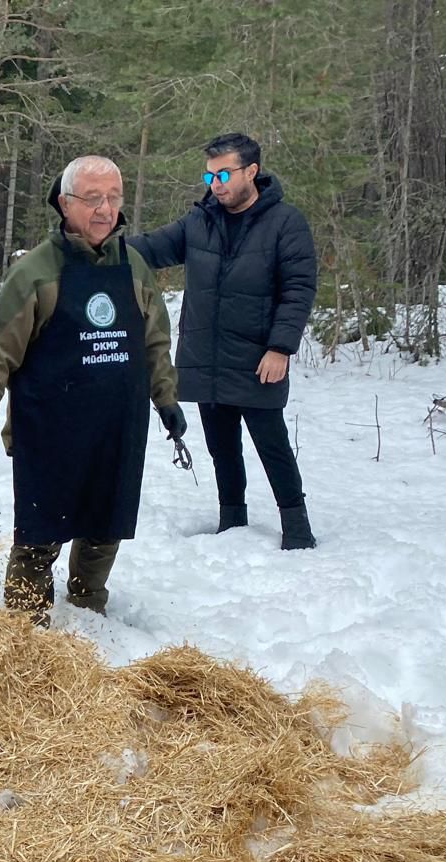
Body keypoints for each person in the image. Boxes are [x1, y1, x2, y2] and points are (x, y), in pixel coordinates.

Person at [0, 155, 182, 625]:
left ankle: (88, 604)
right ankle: (24, 621)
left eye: (113, 198)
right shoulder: (37, 271)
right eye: (92, 198)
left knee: (107, 521)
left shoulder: (134, 266)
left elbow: (156, 341)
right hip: (50, 429)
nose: (105, 209)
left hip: (116, 424)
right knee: (41, 528)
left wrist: (166, 400)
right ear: (64, 204)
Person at [127, 132, 319, 549]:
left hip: (257, 358)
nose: (215, 183)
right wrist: (100, 247)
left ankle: (297, 529)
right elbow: (151, 248)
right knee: (221, 448)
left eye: (224, 173)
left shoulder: (285, 223)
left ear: (252, 171)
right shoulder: (200, 220)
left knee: (273, 446)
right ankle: (232, 521)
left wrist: (280, 347)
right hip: (207, 357)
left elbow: (299, 288)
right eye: (210, 174)